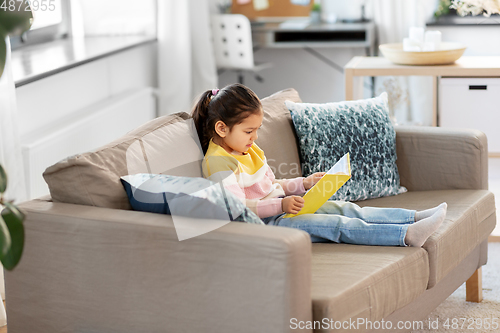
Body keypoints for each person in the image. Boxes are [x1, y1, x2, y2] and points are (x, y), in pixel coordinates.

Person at [192, 83, 447, 247]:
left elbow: (272, 185)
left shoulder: (247, 148)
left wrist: (302, 184)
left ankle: (412, 217)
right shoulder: (218, 162)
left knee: (347, 209)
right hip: (266, 227)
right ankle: (406, 236)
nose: (255, 137)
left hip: (282, 211)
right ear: (221, 128)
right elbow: (237, 209)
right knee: (338, 225)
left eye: (257, 130)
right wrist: (280, 204)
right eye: (249, 131)